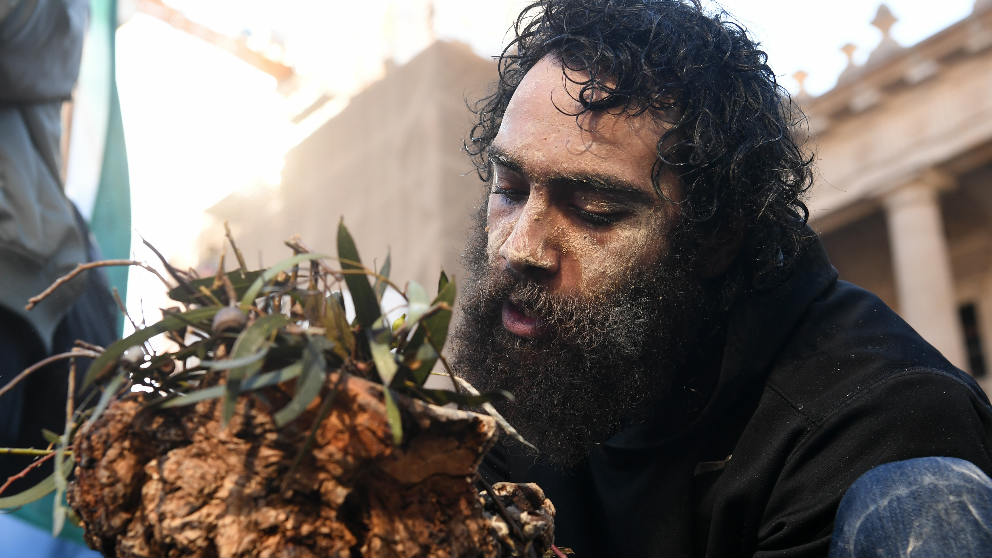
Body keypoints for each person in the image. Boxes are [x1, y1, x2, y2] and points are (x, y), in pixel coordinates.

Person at [448, 1, 992, 556]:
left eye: (593, 210)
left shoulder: (878, 426)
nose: (519, 247)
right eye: (510, 189)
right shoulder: (530, 385)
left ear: (717, 234)